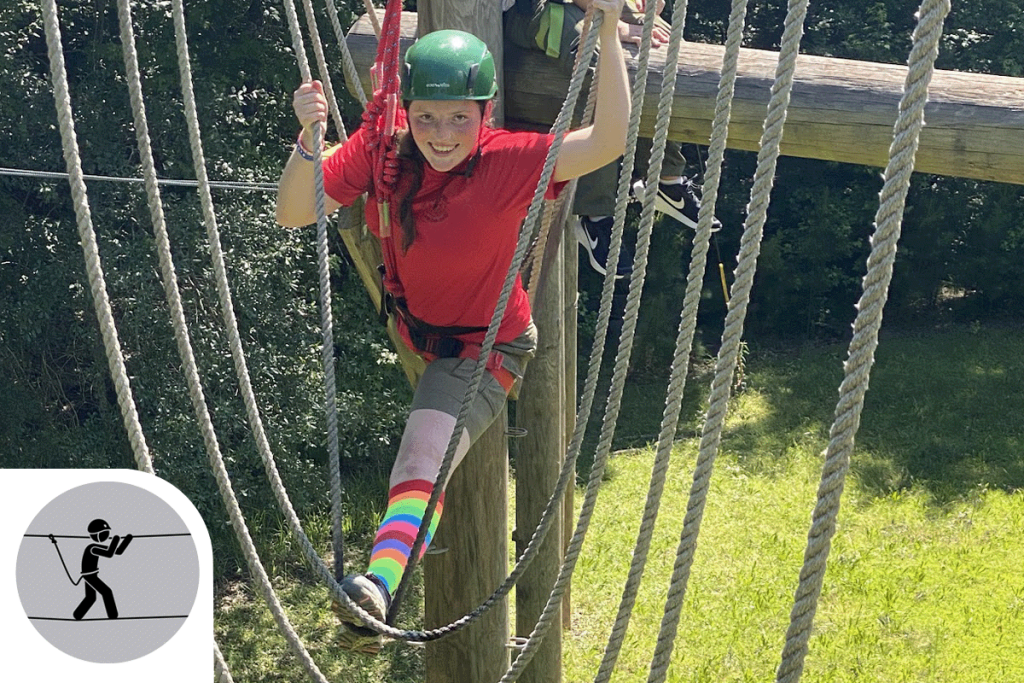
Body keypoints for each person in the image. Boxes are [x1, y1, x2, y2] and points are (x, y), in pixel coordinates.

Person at [277, 0, 630, 655]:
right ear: (407, 112)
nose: (442, 135)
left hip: (483, 347)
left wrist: (607, 33)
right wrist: (308, 140)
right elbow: (296, 210)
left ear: (484, 114)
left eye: (459, 118)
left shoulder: (509, 161)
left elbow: (607, 140)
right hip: (417, 328)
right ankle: (378, 597)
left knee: (423, 457)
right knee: (427, 451)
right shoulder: (384, 148)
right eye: (428, 117)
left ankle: (377, 589)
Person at [505, 0, 722, 279]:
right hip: (533, 9)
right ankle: (596, 217)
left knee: (662, 42)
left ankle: (665, 178)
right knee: (603, 69)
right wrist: (613, 24)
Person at [73, 518, 132, 620]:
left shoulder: (96, 547)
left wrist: (128, 539)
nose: (106, 536)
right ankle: (113, 616)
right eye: (104, 533)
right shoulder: (92, 548)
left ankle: (77, 615)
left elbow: (118, 551)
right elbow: (109, 554)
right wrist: (116, 539)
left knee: (91, 598)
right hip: (89, 576)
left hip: (91, 575)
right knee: (107, 592)